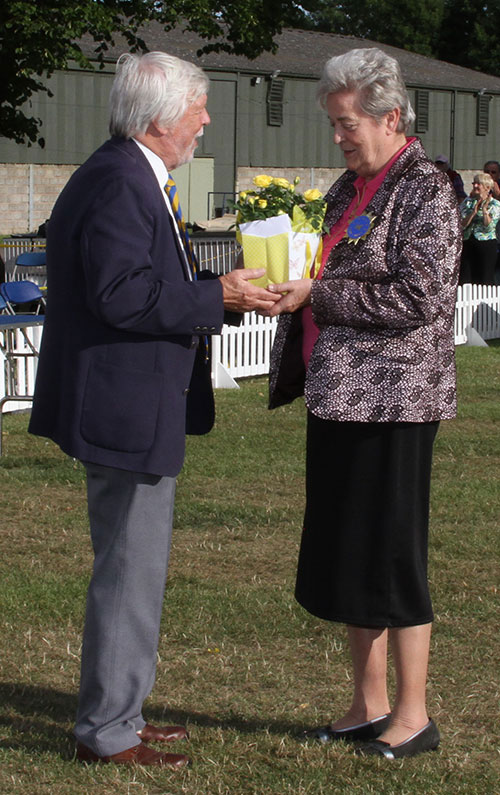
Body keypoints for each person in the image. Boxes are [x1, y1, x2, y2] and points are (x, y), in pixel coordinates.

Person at [28, 51, 278, 768]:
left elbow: (139, 280)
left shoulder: (129, 175)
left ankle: (121, 714)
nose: (205, 120)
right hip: (122, 408)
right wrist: (216, 297)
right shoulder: (118, 181)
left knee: (134, 568)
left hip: (129, 404)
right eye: (199, 107)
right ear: (163, 116)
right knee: (129, 571)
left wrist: (216, 289)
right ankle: (107, 730)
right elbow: (121, 295)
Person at [265, 48, 461, 759]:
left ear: (391, 115)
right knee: (351, 554)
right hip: (340, 398)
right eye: (335, 125)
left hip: (396, 402)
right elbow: (329, 267)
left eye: (349, 124)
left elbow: (423, 296)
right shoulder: (348, 189)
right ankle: (367, 701)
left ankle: (414, 714)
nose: (341, 138)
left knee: (393, 556)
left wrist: (317, 293)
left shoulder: (428, 188)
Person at [459, 172, 500, 285]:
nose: (475, 186)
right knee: (466, 278)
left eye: (479, 184)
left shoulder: (495, 205)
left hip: (486, 244)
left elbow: (489, 226)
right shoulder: (467, 202)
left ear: (487, 187)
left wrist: (485, 210)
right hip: (468, 242)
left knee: (485, 278)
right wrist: (473, 212)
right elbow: (462, 224)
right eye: (474, 183)